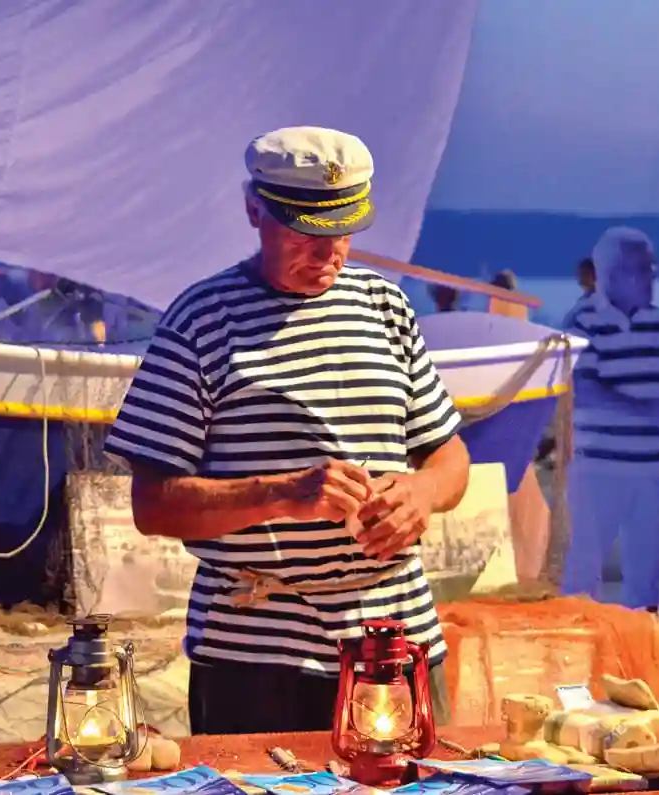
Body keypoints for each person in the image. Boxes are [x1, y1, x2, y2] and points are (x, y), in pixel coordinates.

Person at [104, 126, 471, 735]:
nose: (328, 254)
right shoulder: (201, 321)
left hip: (395, 641)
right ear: (254, 210)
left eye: (342, 233)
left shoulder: (387, 307)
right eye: (306, 234)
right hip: (253, 658)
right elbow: (154, 505)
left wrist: (422, 493)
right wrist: (282, 493)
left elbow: (449, 457)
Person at [562, 227, 659, 610]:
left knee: (645, 576)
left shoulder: (658, 322)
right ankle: (578, 643)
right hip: (597, 470)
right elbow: (584, 389)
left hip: (651, 469)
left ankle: (642, 643)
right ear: (614, 273)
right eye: (644, 269)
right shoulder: (582, 321)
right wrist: (651, 412)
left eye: (652, 268)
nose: (653, 276)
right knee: (584, 573)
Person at [559, 257, 597, 330]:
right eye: (580, 274)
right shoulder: (584, 300)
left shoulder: (598, 301)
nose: (581, 278)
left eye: (585, 274)